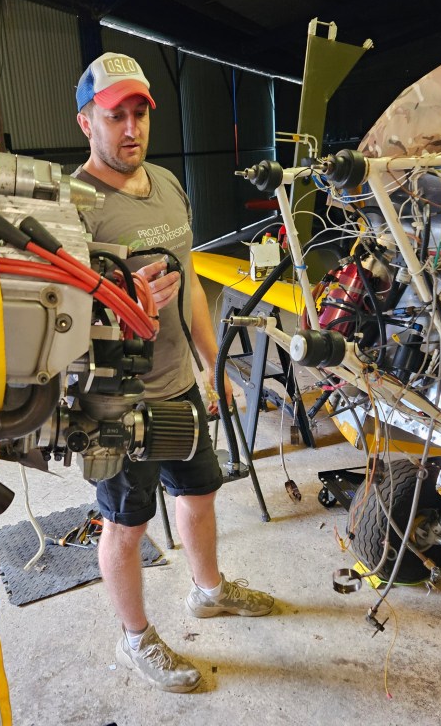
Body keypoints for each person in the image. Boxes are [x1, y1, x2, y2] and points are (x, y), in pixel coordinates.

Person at [73, 52, 275, 693]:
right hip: (116, 398)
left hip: (178, 385)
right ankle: (135, 637)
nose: (131, 129)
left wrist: (214, 364)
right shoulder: (74, 206)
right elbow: (59, 321)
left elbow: (189, 291)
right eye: (115, 117)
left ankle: (209, 592)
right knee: (126, 524)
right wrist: (121, 304)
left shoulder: (165, 183)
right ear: (86, 123)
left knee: (200, 491)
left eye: (140, 114)